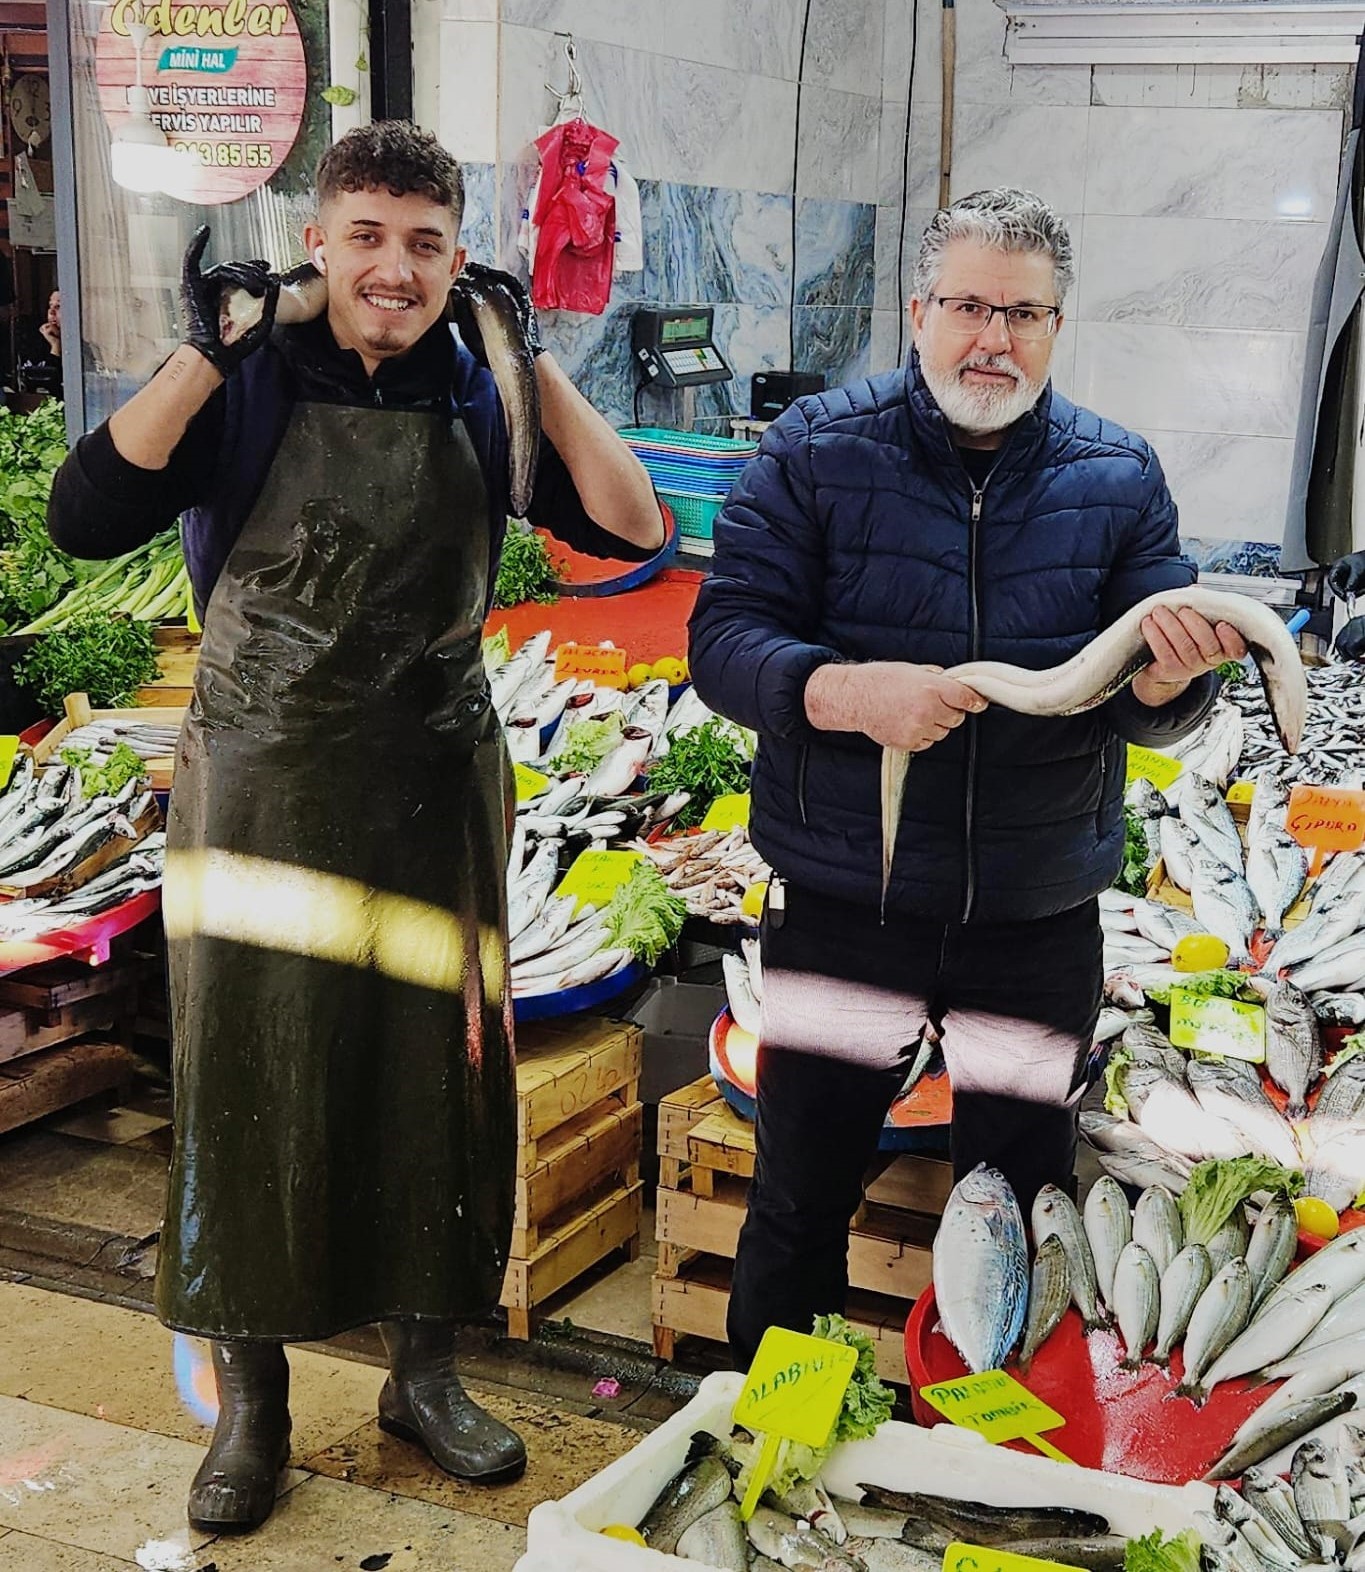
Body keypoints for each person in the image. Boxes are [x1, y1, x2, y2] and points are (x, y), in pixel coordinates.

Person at [48, 121, 664, 1533]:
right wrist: (205, 349)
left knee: (434, 1075)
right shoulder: (252, 376)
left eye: (426, 244)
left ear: (457, 258)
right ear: (318, 240)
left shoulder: (480, 384)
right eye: (368, 236)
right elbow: (85, 515)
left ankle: (424, 1376)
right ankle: (255, 1406)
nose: (396, 269)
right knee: (247, 1074)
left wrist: (533, 359)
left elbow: (632, 529)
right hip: (261, 778)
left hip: (432, 781)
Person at [687, 187, 1248, 1367]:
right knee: (799, 1201)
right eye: (969, 307)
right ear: (918, 312)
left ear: (1058, 326)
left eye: (1024, 315)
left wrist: (1167, 681)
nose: (995, 340)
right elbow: (724, 640)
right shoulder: (816, 449)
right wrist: (845, 692)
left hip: (1036, 919)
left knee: (1022, 1214)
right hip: (847, 903)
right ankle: (774, 1437)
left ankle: (982, 1446)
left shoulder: (1118, 475)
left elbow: (1158, 702)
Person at [17, 288, 60, 396]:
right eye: (50, 306)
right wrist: (55, 346)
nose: (51, 312)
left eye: (58, 307)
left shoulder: (81, 347)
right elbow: (46, 383)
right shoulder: (37, 345)